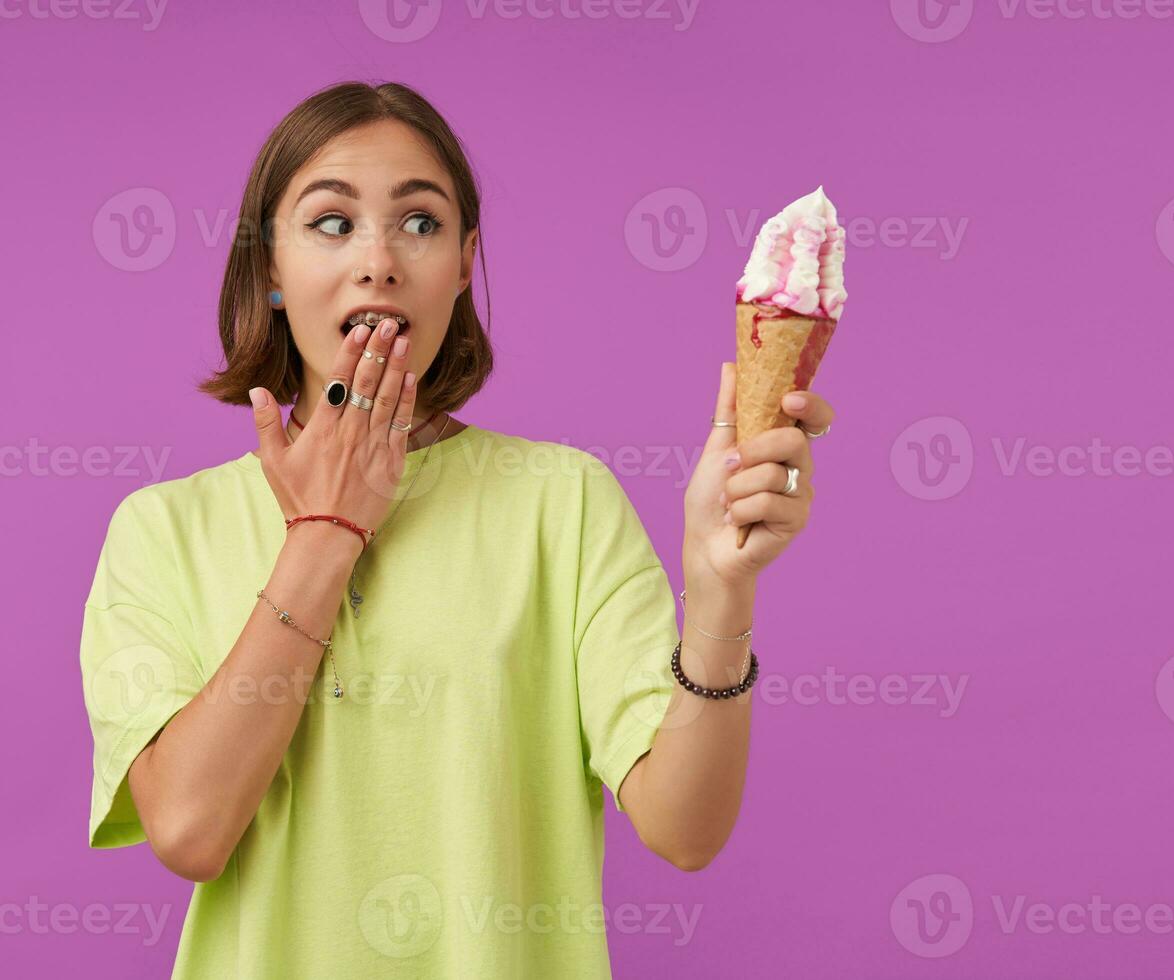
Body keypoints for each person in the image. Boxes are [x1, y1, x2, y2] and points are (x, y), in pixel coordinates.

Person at [78, 80, 836, 978]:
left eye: (421, 223)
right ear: (270, 269)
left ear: (465, 261)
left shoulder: (564, 502)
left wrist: (720, 589)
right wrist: (327, 529)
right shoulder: (163, 530)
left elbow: (686, 831)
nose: (379, 260)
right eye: (330, 222)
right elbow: (191, 832)